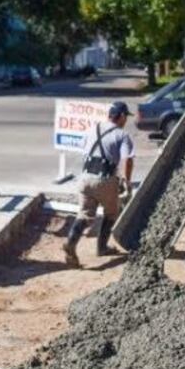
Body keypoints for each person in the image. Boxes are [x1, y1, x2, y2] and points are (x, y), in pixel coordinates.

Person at [63, 101, 135, 267]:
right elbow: (127, 160)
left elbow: (85, 151)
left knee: (84, 215)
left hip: (85, 178)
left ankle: (71, 243)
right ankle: (102, 248)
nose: (126, 121)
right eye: (126, 117)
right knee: (111, 213)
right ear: (122, 116)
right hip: (105, 179)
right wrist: (126, 181)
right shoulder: (122, 135)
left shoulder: (93, 129)